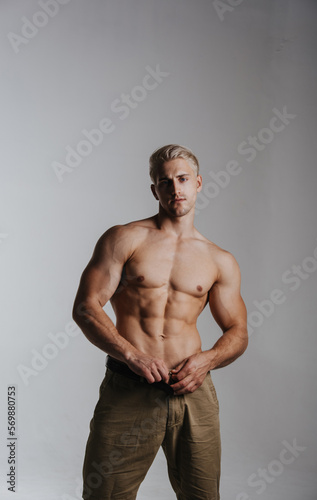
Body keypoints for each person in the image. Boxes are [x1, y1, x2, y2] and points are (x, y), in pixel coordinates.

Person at [72, 144, 248, 500]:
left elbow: (238, 331)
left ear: (198, 183)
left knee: (201, 496)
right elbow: (87, 307)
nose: (175, 188)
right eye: (164, 182)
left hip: (192, 391)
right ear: (155, 190)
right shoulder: (125, 238)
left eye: (182, 179)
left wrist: (207, 360)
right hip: (130, 388)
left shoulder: (219, 260)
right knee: (105, 494)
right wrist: (131, 355)